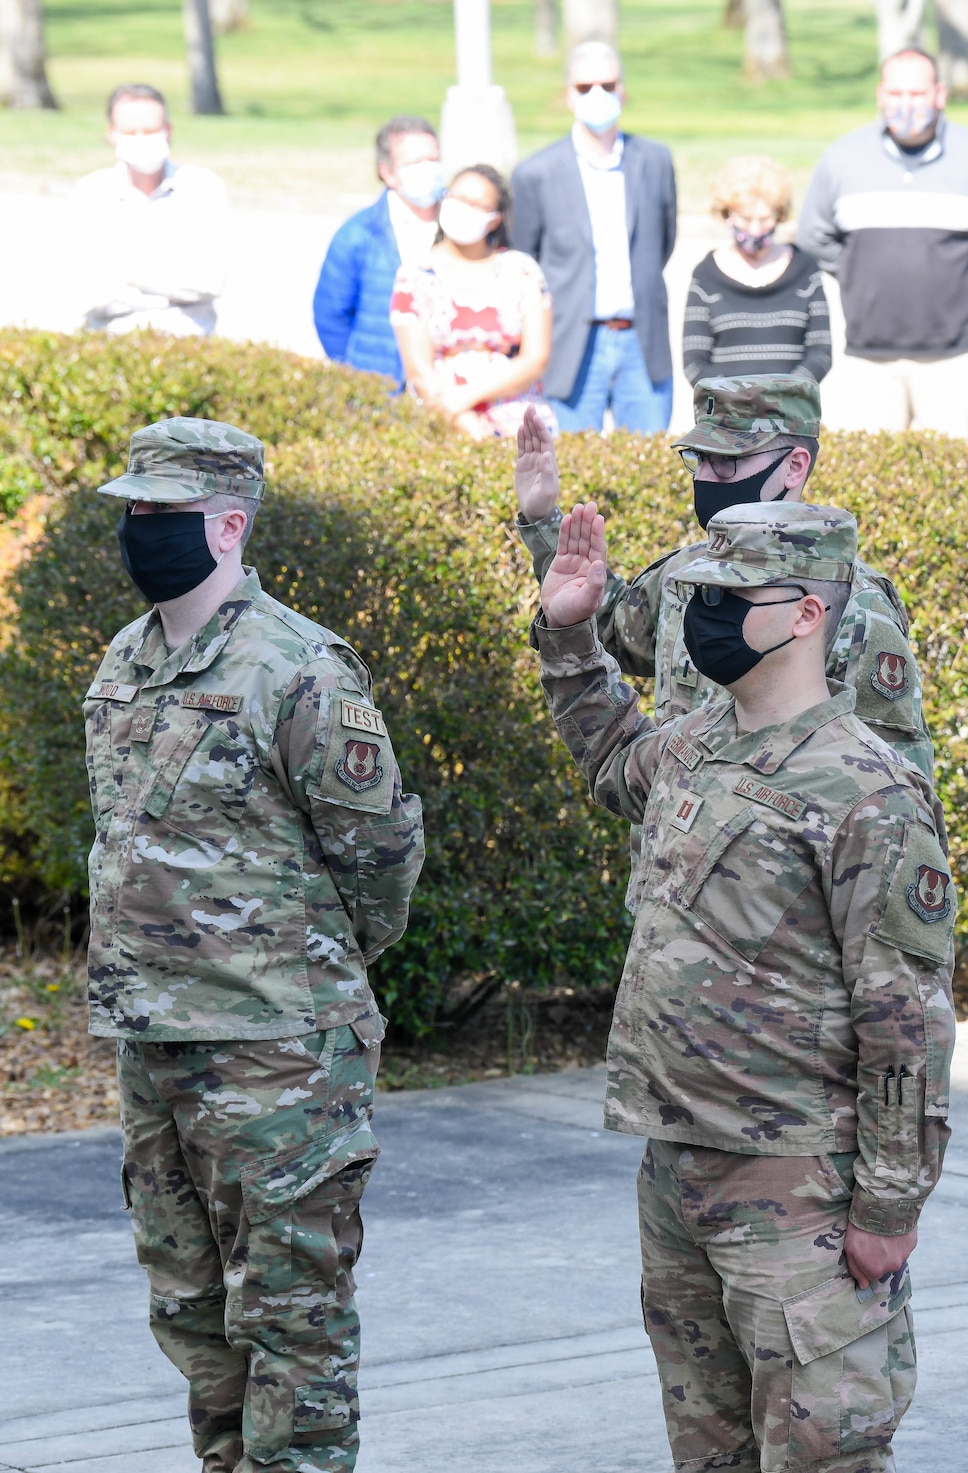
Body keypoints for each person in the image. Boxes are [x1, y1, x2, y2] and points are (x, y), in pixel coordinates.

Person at [533, 497, 954, 1473]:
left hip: (797, 1188)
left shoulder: (868, 790)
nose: (704, 615)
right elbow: (608, 758)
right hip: (677, 1171)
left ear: (807, 613)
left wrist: (888, 1207)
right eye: (699, 594)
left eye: (730, 595)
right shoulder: (695, 741)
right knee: (706, 1455)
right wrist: (568, 634)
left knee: (820, 1456)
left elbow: (905, 1023)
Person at [83, 417, 426, 1473]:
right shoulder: (125, 662)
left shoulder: (300, 668)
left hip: (279, 1054)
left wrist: (303, 977)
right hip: (159, 1043)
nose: (143, 533)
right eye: (134, 513)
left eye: (165, 515)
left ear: (228, 525)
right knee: (193, 1319)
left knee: (292, 1326)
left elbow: (376, 859)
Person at [513, 372, 932, 807]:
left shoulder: (852, 601)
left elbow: (892, 794)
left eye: (728, 461)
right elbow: (612, 631)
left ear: (794, 466)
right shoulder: (687, 571)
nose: (707, 477)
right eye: (700, 458)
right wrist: (543, 519)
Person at [797, 46, 968, 441]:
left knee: (961, 486)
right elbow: (813, 236)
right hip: (869, 362)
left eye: (917, 94)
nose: (906, 104)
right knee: (864, 488)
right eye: (896, 94)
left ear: (940, 95)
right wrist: (863, 272)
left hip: (955, 361)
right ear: (880, 96)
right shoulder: (841, 160)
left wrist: (965, 276)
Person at [512, 42, 679, 434]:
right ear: (568, 94)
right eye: (585, 87)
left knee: (648, 467)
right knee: (569, 469)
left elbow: (664, 241)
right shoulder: (535, 173)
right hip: (571, 341)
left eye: (608, 84)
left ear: (623, 89)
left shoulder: (654, 161)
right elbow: (523, 261)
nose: (598, 95)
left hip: (641, 340)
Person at [390, 165, 555, 441]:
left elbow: (536, 358)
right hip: (442, 419)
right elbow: (419, 370)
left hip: (517, 423)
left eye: (476, 205)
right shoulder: (415, 275)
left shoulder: (523, 270)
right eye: (457, 198)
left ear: (494, 219)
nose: (463, 209)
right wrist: (467, 422)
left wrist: (468, 396)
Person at [72, 83, 228, 337]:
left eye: (151, 130)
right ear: (112, 133)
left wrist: (131, 277)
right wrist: (171, 293)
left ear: (169, 130)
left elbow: (209, 282)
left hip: (190, 342)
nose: (142, 139)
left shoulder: (202, 188)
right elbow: (89, 295)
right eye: (131, 131)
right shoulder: (90, 193)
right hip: (110, 343)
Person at [312, 115, 444, 387]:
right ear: (388, 172)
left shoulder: (462, 226)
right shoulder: (358, 234)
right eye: (415, 163)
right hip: (386, 392)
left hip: (452, 391)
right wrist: (364, 378)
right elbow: (331, 316)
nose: (428, 169)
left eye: (433, 160)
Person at [682, 155, 833, 384]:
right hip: (727, 414)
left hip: (791, 411)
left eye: (764, 219)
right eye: (745, 218)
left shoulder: (806, 270)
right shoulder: (706, 275)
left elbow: (820, 352)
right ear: (727, 215)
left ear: (779, 215)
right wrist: (737, 397)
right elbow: (694, 360)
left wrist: (783, 393)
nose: (755, 228)